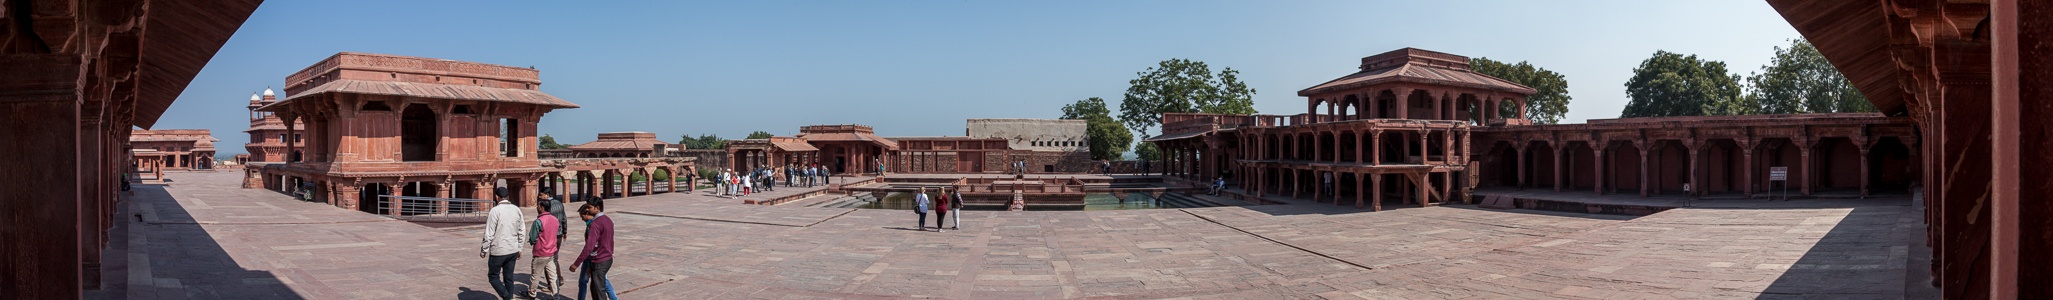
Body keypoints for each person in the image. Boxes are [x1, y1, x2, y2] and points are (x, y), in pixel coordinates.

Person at [480, 198, 525, 300]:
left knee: (493, 276)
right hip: (512, 249)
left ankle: (507, 297)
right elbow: (522, 230)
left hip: (498, 250)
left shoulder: (495, 210)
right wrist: (520, 248)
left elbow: (489, 233)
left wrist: (484, 249)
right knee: (509, 277)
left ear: (497, 197)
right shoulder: (516, 209)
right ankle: (509, 297)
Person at [570, 203, 616, 300]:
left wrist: (576, 264)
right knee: (597, 284)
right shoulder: (604, 221)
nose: (582, 219)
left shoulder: (594, 225)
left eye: (582, 216)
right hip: (599, 257)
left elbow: (589, 247)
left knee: (598, 285)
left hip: (595, 258)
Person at [523, 204, 561, 299]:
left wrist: (533, 242)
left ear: (542, 208)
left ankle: (531, 294)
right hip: (551, 251)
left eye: (538, 206)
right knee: (552, 275)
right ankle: (556, 294)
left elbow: (533, 237)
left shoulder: (538, 221)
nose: (537, 207)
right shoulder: (555, 220)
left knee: (535, 275)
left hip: (541, 252)